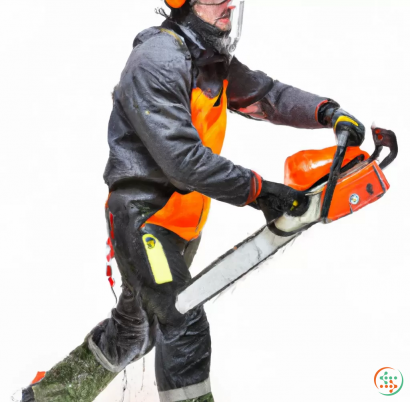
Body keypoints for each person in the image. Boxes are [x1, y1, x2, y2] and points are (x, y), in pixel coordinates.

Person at [20, 1, 365, 401]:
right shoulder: (157, 61)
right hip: (145, 219)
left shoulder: (208, 60)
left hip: (181, 220)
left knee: (137, 328)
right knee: (182, 318)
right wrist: (260, 190)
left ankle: (46, 398)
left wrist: (326, 112)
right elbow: (182, 160)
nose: (229, 6)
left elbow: (267, 96)